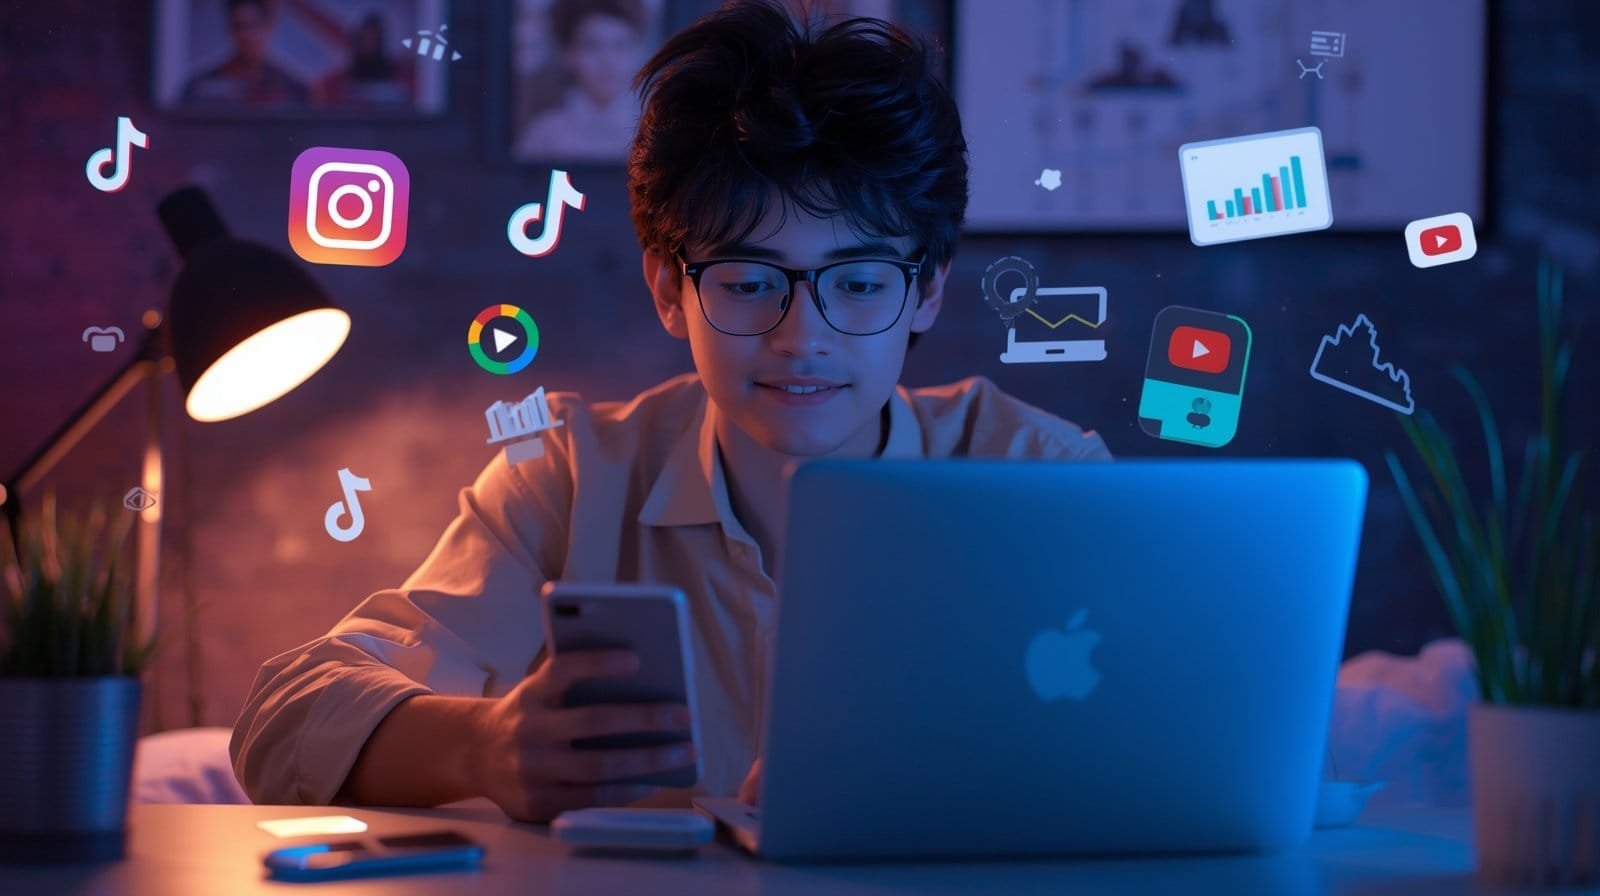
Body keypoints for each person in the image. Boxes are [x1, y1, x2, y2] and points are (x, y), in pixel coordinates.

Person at [231, 0, 1111, 823]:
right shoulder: (568, 478)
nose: (802, 336)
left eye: (857, 283)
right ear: (666, 288)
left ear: (926, 292)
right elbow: (283, 717)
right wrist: (484, 749)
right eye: (749, 281)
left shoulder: (1041, 479)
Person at [513, 0, 649, 161]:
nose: (608, 61)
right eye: (592, 46)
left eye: (620, 46)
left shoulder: (654, 131)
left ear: (638, 53)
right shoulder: (545, 135)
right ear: (568, 54)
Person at [181, 0, 309, 107]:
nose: (246, 35)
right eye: (239, 26)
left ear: (268, 27)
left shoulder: (293, 89)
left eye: (253, 25)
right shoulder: (200, 88)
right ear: (230, 30)